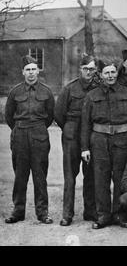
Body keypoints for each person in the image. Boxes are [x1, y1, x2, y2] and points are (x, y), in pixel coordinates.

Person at [80, 60, 127, 229]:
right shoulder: (92, 95)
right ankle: (103, 215)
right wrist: (84, 147)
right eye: (106, 73)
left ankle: (119, 214)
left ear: (117, 73)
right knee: (101, 178)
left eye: (113, 72)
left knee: (120, 177)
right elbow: (85, 124)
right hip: (99, 140)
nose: (110, 76)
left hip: (122, 139)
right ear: (100, 75)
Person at [4, 55, 55, 224]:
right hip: (20, 135)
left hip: (39, 135)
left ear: (38, 71)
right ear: (22, 72)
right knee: (20, 175)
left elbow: (49, 116)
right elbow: (9, 117)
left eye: (34, 69)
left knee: (40, 176)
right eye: (28, 70)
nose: (31, 73)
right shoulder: (15, 92)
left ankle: (42, 212)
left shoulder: (46, 92)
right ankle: (18, 211)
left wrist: (37, 128)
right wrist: (20, 130)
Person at [54, 54, 98, 226]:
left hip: (91, 135)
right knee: (70, 176)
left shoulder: (98, 87)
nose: (88, 72)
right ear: (80, 69)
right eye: (86, 69)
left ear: (95, 71)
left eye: (92, 69)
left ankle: (90, 210)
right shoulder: (69, 88)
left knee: (91, 175)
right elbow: (58, 114)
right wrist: (69, 128)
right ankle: (67, 214)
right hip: (72, 134)